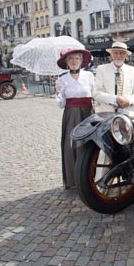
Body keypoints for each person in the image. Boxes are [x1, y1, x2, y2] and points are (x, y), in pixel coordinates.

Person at [55, 48, 95, 189]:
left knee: (90, 145)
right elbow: (61, 104)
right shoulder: (61, 80)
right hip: (71, 114)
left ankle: (91, 178)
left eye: (76, 58)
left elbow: (96, 95)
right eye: (70, 59)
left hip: (89, 114)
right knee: (71, 146)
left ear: (81, 61)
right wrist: (58, 94)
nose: (73, 61)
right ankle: (73, 180)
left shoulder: (89, 76)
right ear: (66, 62)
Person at [94, 41, 134, 112]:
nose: (118, 55)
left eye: (121, 53)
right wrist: (114, 99)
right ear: (111, 54)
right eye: (115, 53)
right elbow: (96, 93)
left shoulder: (133, 70)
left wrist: (128, 101)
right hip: (107, 114)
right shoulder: (101, 69)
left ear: (126, 55)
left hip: (127, 114)